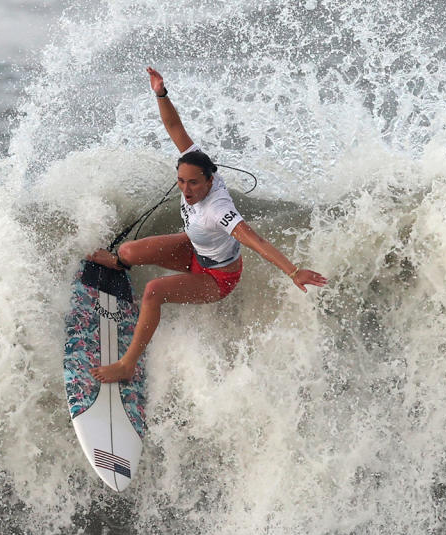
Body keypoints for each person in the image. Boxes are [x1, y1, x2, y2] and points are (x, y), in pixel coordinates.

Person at [88, 67, 328, 383]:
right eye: (181, 182)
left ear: (209, 180)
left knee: (153, 291)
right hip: (194, 249)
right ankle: (119, 263)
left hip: (217, 278)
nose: (186, 191)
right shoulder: (197, 165)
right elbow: (174, 126)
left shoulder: (218, 209)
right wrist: (161, 94)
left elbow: (256, 241)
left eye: (193, 184)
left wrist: (293, 271)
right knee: (128, 251)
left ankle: (127, 364)